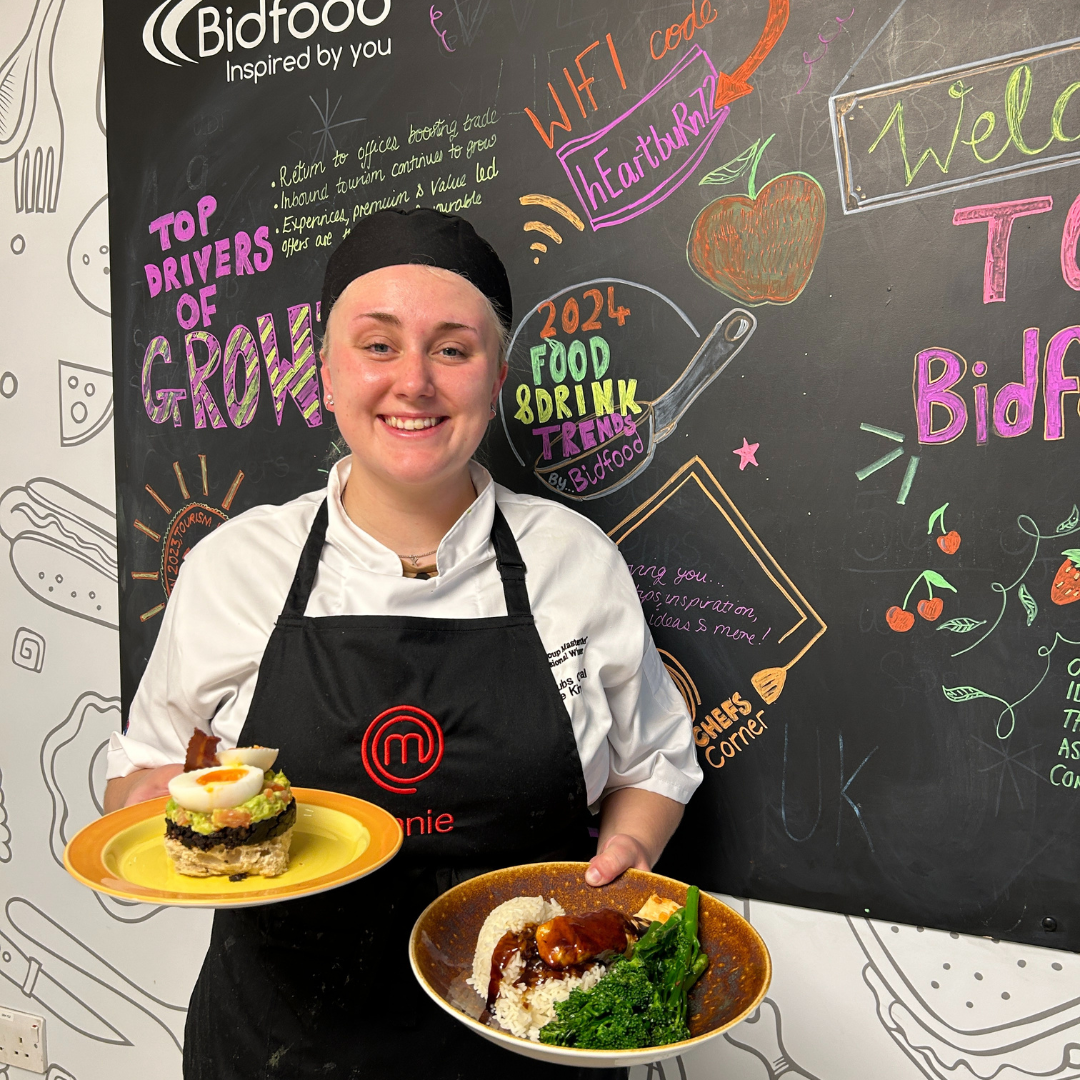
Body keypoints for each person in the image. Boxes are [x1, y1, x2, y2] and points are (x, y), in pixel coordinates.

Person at [104, 208, 702, 1079]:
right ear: (325, 373)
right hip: (278, 1050)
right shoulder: (234, 567)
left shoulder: (576, 562)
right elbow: (141, 773)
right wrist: (157, 806)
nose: (413, 382)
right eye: (378, 345)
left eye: (453, 349)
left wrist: (626, 858)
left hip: (529, 1035)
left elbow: (655, 764)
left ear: (496, 378)